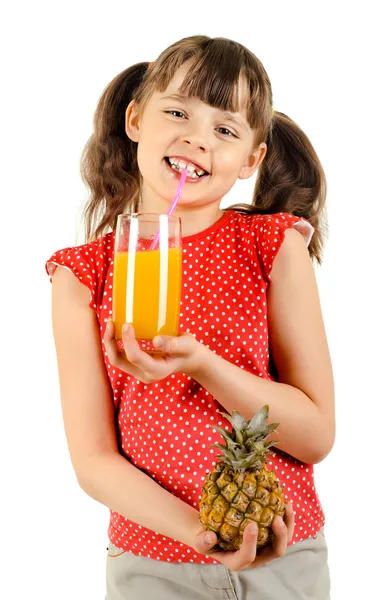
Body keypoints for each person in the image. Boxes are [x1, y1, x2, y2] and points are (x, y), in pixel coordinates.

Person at [46, 35, 335, 599]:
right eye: (176, 111)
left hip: (285, 550)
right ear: (135, 119)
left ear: (253, 158)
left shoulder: (273, 246)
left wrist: (203, 365)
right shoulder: (81, 276)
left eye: (224, 129)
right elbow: (93, 460)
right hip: (149, 564)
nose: (194, 138)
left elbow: (317, 435)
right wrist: (200, 533)